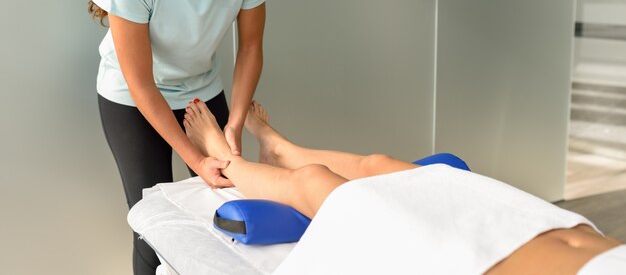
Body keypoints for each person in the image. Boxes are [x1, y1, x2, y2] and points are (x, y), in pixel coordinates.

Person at [182, 99, 626, 274]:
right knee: (385, 167)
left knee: (322, 189)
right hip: (532, 222)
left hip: (458, 260)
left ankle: (228, 160)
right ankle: (279, 146)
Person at [88, 0, 271, 274]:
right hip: (132, 99)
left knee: (228, 217)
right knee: (155, 228)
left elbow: (251, 48)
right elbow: (140, 82)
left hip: (200, 92)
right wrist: (194, 156)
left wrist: (235, 123)